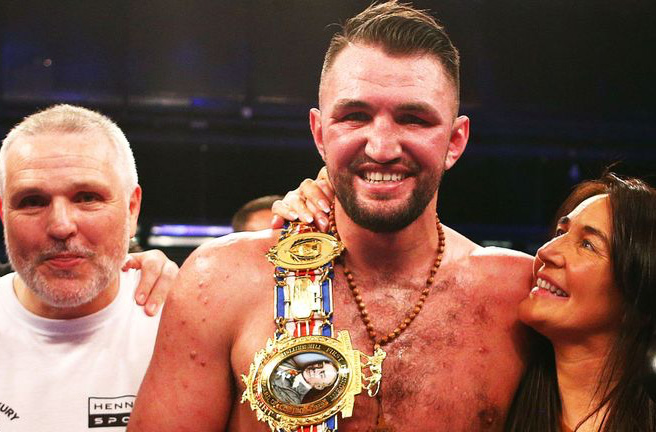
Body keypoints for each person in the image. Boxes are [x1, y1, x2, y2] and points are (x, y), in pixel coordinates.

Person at [130, 2, 533, 431]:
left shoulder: (516, 295)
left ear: (455, 141)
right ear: (320, 133)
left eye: (413, 119)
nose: (381, 147)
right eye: (355, 116)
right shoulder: (222, 281)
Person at [0, 104, 179, 431]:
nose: (61, 226)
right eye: (33, 201)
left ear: (132, 208)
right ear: (2, 211)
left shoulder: (181, 322)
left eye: (86, 197)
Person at [504, 173, 656, 432]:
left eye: (587, 244)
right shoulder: (494, 407)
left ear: (638, 292)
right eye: (560, 232)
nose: (546, 252)